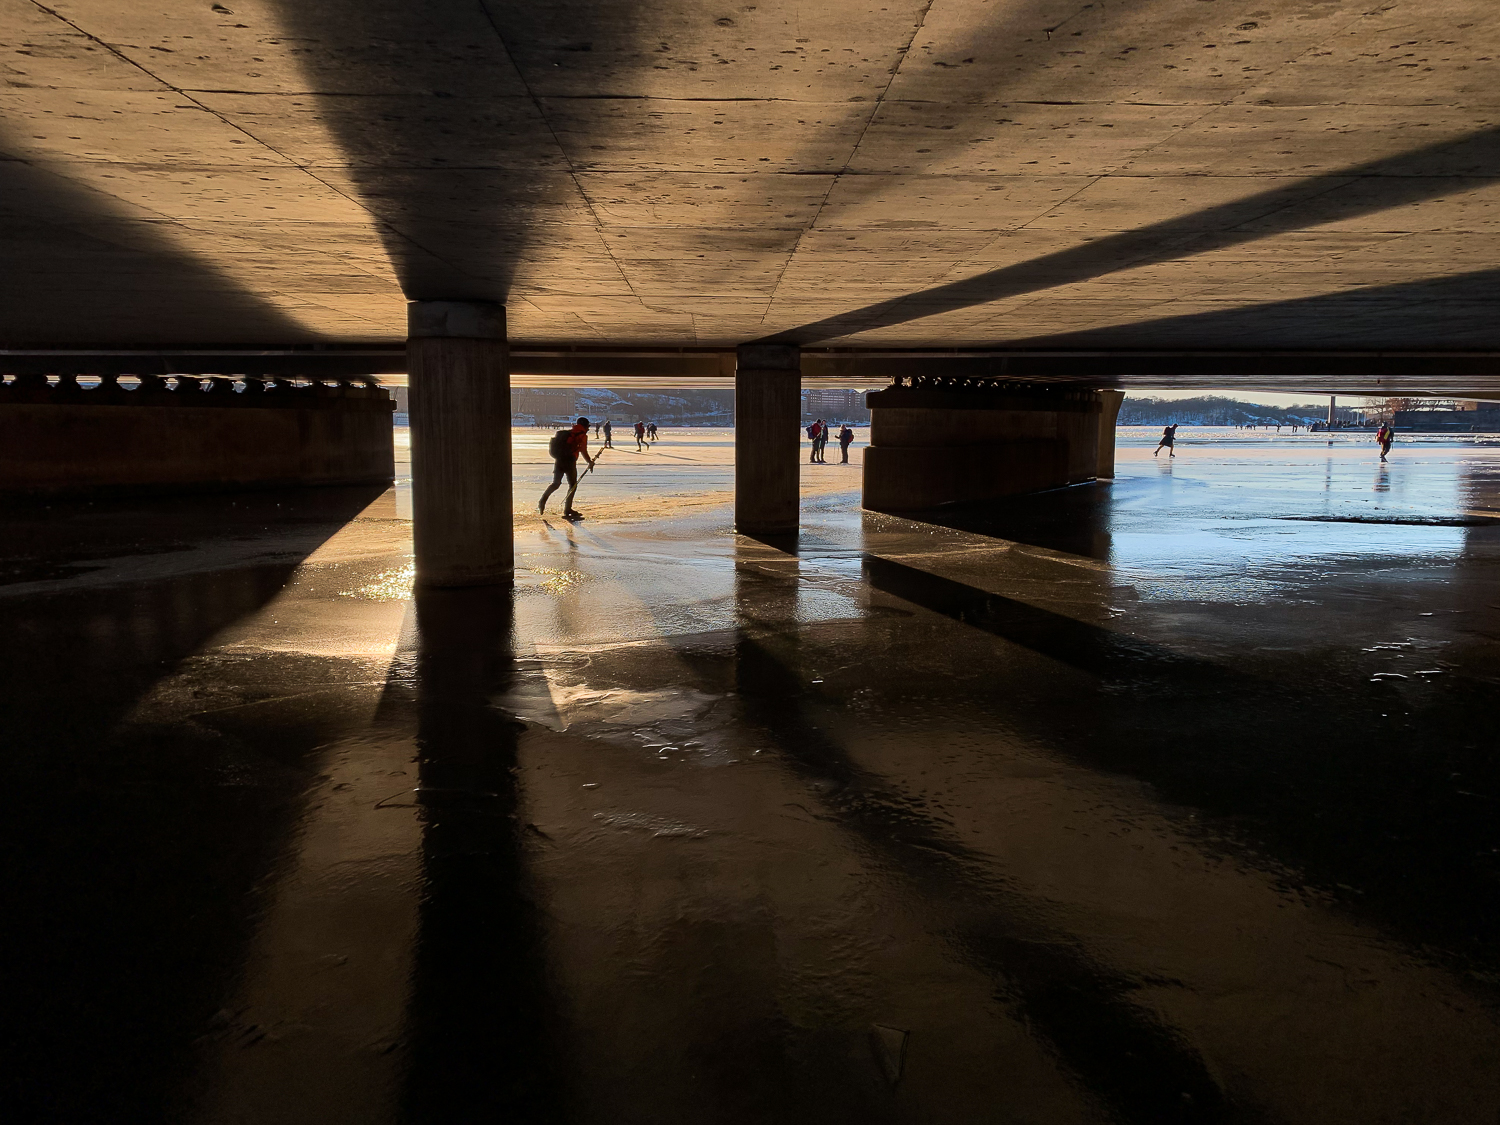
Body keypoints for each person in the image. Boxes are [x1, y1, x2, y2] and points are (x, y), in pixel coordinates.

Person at [539, 416, 595, 519]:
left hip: (559, 460)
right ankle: (567, 509)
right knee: (573, 485)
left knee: (556, 483)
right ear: (585, 426)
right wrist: (590, 462)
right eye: (587, 427)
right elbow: (583, 451)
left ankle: (543, 500)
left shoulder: (569, 433)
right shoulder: (582, 435)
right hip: (570, 462)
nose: (588, 429)